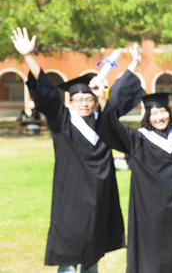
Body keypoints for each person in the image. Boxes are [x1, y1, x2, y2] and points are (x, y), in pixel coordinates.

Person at [11, 27, 125, 273]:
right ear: (69, 101)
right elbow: (48, 94)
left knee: (93, 253)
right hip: (70, 200)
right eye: (78, 99)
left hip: (98, 198)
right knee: (69, 254)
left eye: (88, 99)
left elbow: (115, 127)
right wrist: (30, 56)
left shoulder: (102, 121)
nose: (84, 103)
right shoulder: (62, 121)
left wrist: (102, 96)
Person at [89, 56, 172, 273]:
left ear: (169, 112)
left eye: (163, 111)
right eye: (154, 113)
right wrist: (101, 97)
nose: (160, 117)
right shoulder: (137, 140)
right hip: (150, 217)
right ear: (148, 116)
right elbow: (111, 126)